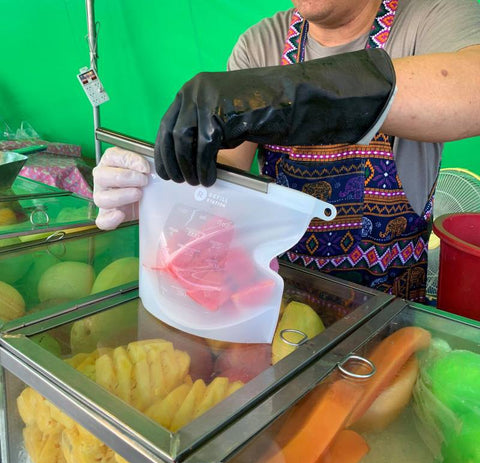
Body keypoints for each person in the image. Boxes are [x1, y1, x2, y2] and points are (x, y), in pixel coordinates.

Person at [93, 0, 480, 302]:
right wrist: (161, 187)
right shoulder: (261, 43)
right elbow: (226, 171)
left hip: (388, 318)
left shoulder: (431, 17)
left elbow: (471, 90)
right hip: (277, 304)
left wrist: (280, 91)